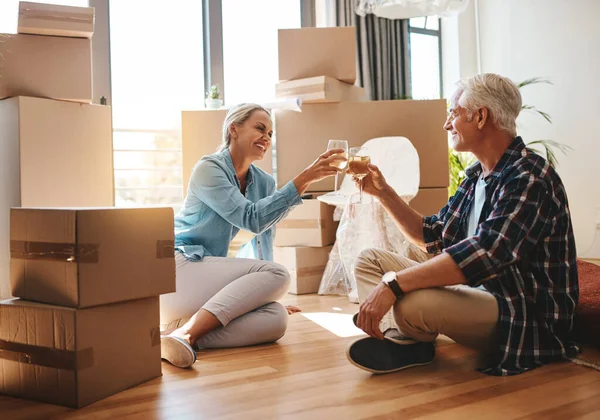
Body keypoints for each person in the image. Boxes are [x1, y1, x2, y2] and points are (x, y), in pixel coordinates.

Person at [347, 73, 578, 376]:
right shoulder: (475, 177)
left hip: (518, 308)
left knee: (410, 303)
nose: (446, 124)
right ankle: (404, 341)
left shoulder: (529, 176)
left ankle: (409, 334)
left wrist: (394, 284)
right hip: (475, 290)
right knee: (369, 261)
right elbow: (431, 235)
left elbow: (487, 253)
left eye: (453, 113)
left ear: (480, 116)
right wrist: (383, 193)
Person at [160, 103, 345, 368]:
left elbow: (263, 238)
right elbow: (251, 219)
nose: (267, 138)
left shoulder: (265, 182)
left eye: (270, 133)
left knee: (276, 317)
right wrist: (304, 179)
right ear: (233, 129)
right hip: (180, 268)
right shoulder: (209, 169)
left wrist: (265, 294)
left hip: (209, 281)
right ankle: (186, 333)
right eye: (260, 128)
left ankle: (172, 337)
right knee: (279, 274)